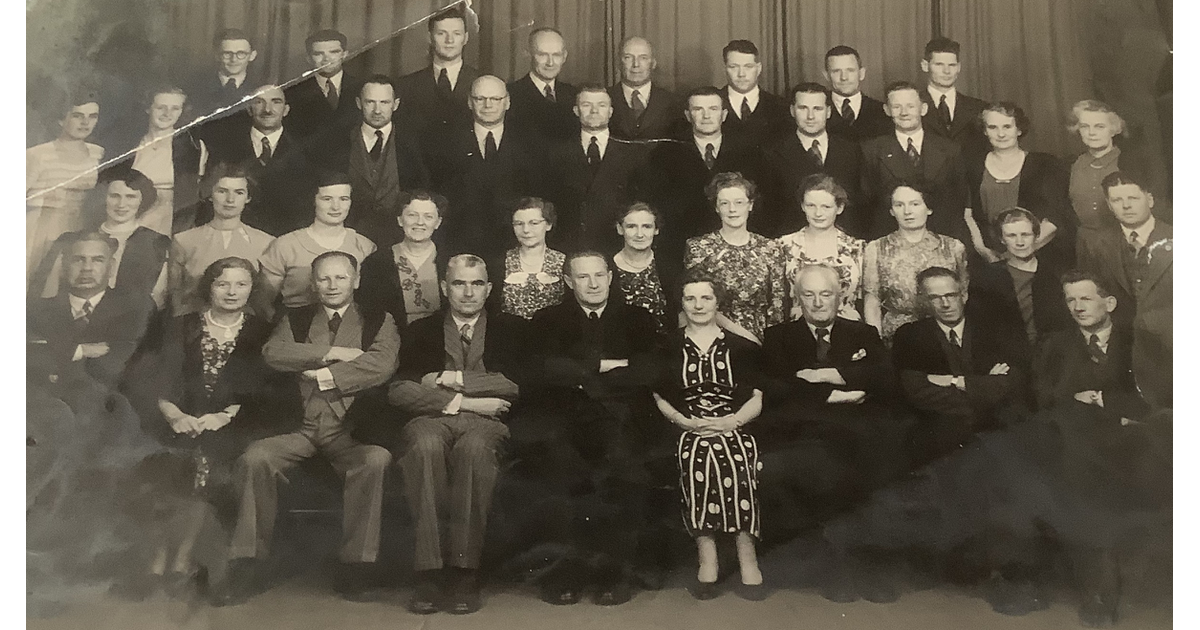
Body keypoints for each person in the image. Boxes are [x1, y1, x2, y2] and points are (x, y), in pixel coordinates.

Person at [220, 251, 399, 605]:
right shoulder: (296, 317)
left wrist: (324, 374)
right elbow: (274, 354)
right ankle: (247, 562)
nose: (332, 286)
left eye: (341, 278)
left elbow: (382, 364)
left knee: (375, 460)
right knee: (256, 458)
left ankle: (357, 565)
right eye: (324, 279)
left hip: (349, 429)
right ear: (314, 284)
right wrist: (335, 353)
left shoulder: (379, 319)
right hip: (299, 427)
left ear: (356, 281)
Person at [121, 257, 292, 600]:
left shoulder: (264, 333)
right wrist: (173, 414)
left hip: (236, 423)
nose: (231, 292)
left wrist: (225, 416)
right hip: (176, 418)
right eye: (222, 283)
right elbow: (150, 377)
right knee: (162, 466)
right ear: (208, 287)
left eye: (241, 284)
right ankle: (156, 559)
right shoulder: (180, 326)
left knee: (213, 463)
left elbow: (269, 391)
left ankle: (187, 560)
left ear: (252, 289)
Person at [518, 251, 664, 606]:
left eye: (600, 275)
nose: (594, 283)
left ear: (611, 277)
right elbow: (541, 370)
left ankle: (614, 571)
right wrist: (603, 368)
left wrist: (583, 376)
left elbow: (651, 370)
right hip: (567, 417)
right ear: (568, 281)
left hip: (624, 416)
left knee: (623, 467)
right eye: (583, 277)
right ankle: (568, 570)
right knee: (563, 469)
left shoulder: (637, 319)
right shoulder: (547, 320)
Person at [387, 254, 529, 615]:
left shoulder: (511, 329)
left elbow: (513, 384)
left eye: (477, 283)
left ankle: (465, 571)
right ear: (445, 288)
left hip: (486, 425)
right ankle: (429, 572)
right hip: (434, 418)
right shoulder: (419, 331)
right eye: (460, 284)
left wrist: (450, 379)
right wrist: (466, 402)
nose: (468, 292)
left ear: (489, 289)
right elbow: (400, 389)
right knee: (423, 447)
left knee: (474, 451)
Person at [755, 265, 904, 601]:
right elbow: (776, 387)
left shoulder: (863, 333)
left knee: (871, 465)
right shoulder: (778, 336)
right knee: (821, 468)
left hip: (855, 429)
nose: (818, 302)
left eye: (826, 294)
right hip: (805, 430)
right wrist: (840, 392)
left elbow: (883, 376)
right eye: (809, 294)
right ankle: (836, 569)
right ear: (798, 298)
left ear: (841, 296)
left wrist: (829, 374)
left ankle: (861, 565)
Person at [1033, 271, 1166, 628]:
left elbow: (1159, 397)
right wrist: (1090, 409)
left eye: (1086, 299)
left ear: (1109, 303)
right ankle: (1098, 593)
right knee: (1086, 500)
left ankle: (1135, 587)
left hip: (1134, 444)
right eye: (1071, 300)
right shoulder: (1054, 345)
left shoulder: (1141, 341)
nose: (1077, 307)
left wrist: (1103, 399)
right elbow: (1044, 397)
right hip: (1079, 444)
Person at [652, 273, 766, 600]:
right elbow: (659, 395)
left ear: (718, 303)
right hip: (687, 425)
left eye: (706, 298)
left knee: (740, 457)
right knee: (694, 456)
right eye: (691, 299)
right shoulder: (667, 344)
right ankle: (708, 558)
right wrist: (683, 421)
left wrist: (733, 420)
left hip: (735, 423)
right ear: (682, 304)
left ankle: (747, 558)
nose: (698, 305)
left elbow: (757, 395)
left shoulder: (740, 346)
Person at [892, 267, 1026, 463]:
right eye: (935, 298)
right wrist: (984, 385)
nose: (945, 304)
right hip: (941, 434)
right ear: (923, 301)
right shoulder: (910, 336)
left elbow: (1012, 380)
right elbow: (914, 390)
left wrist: (956, 381)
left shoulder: (994, 330)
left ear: (964, 295)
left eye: (951, 295)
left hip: (998, 429)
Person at [27, 232, 156, 415]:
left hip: (110, 416)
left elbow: (119, 363)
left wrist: (56, 353)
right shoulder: (36, 311)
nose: (87, 268)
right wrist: (81, 351)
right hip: (46, 415)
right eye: (78, 260)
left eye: (97, 260)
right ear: (64, 266)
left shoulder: (138, 309)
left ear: (111, 267)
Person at [639, 87, 763, 262]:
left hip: (738, 251)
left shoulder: (749, 154)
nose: (706, 116)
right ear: (688, 115)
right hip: (680, 250)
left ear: (724, 114)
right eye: (698, 109)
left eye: (713, 109)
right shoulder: (664, 155)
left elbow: (760, 206)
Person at [433, 75, 543, 265]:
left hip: (516, 247)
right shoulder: (444, 141)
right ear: (469, 102)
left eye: (495, 99)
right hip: (459, 245)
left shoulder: (531, 142)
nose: (488, 105)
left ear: (507, 102)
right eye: (480, 99)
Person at [30, 168, 171, 309]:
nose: (121, 204)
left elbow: (158, 299)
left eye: (130, 197)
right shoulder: (70, 240)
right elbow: (46, 295)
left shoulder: (157, 243)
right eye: (114, 196)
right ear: (103, 197)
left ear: (142, 200)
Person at [963, 102, 1074, 268]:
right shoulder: (972, 165)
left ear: (1019, 129)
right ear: (985, 131)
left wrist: (1022, 251)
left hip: (1040, 255)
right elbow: (968, 214)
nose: (1001, 134)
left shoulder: (1045, 164)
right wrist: (982, 250)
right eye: (993, 127)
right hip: (991, 258)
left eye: (1007, 126)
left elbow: (1056, 215)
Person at [256, 171, 376, 319]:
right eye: (327, 199)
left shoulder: (365, 246)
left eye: (344, 199)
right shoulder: (285, 245)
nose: (336, 207)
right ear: (314, 200)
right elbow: (264, 302)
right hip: (295, 329)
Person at [684, 172, 788, 343]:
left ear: (750, 205)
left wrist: (770, 346)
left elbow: (777, 305)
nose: (732, 210)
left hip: (762, 342)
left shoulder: (770, 248)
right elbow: (697, 301)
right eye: (725, 203)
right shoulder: (699, 247)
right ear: (717, 208)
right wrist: (744, 337)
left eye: (739, 203)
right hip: (714, 338)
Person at [860, 81, 969, 243]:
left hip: (943, 237)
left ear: (923, 109)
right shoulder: (872, 150)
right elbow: (868, 200)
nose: (904, 112)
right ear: (887, 110)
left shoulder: (950, 149)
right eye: (896, 107)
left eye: (910, 106)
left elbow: (958, 198)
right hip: (891, 238)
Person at [332, 74, 430, 247]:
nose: (377, 110)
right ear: (358, 103)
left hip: (400, 240)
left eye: (384, 102)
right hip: (348, 238)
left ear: (395, 104)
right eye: (370, 102)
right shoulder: (339, 141)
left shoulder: (416, 142)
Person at [863, 182, 968, 343]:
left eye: (915, 204)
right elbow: (872, 300)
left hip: (944, 336)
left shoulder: (953, 247)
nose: (907, 212)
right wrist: (874, 343)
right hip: (896, 337)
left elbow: (963, 296)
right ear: (891, 211)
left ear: (929, 208)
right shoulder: (876, 248)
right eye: (899, 205)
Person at [203, 83, 315, 236]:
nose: (267, 110)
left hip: (287, 239)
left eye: (275, 102)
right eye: (259, 102)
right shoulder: (224, 149)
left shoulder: (307, 151)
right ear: (249, 109)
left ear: (286, 110)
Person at [547, 84, 646, 252]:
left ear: (611, 111)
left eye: (601, 105)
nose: (594, 111)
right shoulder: (555, 153)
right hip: (569, 246)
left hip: (618, 248)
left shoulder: (634, 153)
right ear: (576, 111)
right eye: (586, 105)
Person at [170, 163, 275, 316]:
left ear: (248, 197)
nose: (230, 199)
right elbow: (175, 297)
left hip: (248, 330)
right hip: (194, 327)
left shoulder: (266, 243)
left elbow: (265, 302)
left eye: (239, 192)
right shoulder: (184, 241)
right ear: (209, 195)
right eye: (222, 191)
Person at [1066, 100, 1171, 252]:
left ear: (1113, 129)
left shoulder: (1132, 162)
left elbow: (1156, 206)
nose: (1091, 133)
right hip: (1085, 245)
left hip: (1125, 244)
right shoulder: (1072, 165)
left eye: (1099, 126)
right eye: (1085, 127)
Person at [765, 83, 864, 237]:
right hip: (794, 245)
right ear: (792, 111)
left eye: (817, 109)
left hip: (844, 242)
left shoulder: (851, 150)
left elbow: (860, 204)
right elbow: (770, 209)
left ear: (829, 112)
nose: (810, 116)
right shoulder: (772, 153)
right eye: (803, 108)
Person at [967, 208, 1072, 349]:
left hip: (1053, 353)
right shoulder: (987, 278)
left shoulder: (1056, 275)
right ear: (1002, 239)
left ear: (1036, 236)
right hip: (1009, 355)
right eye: (1011, 236)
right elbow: (979, 327)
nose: (1020, 242)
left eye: (1025, 235)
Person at [1076, 171, 1171, 327]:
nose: (1126, 206)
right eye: (1117, 200)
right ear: (1109, 206)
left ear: (1150, 200)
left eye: (1133, 198)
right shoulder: (1094, 244)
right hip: (1121, 336)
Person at [111, 85, 205, 236]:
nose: (167, 114)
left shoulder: (193, 148)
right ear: (148, 108)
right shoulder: (129, 145)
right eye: (161, 107)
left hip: (172, 221)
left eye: (175, 108)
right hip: (129, 217)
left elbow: (193, 195)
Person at [27, 94, 104, 279]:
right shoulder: (38, 155)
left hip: (80, 227)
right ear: (61, 119)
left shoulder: (97, 153)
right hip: (40, 230)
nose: (85, 123)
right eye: (77, 115)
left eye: (92, 116)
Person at [777, 174, 865, 322]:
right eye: (811, 206)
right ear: (803, 206)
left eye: (826, 206)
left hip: (848, 329)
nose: (818, 213)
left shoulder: (856, 248)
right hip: (799, 329)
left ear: (839, 208)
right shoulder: (783, 246)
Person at [357, 189, 448, 326]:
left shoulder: (451, 261)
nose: (420, 222)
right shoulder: (376, 263)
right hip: (391, 340)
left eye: (428, 217)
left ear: (438, 223)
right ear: (400, 220)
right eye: (412, 215)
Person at [397, 5, 480, 154]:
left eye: (457, 34)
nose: (449, 40)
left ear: (466, 38)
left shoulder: (483, 82)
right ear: (429, 37)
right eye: (441, 33)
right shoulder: (406, 86)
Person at [610, 202, 680, 335]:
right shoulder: (605, 266)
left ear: (656, 230)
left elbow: (681, 312)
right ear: (620, 229)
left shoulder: (670, 268)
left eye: (646, 227)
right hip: (619, 349)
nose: (639, 234)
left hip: (665, 348)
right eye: (631, 226)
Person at [284, 30, 362, 142]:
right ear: (309, 58)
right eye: (318, 54)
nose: (326, 59)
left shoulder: (361, 87)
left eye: (334, 52)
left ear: (345, 54)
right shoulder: (293, 92)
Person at [919, 37, 988, 160]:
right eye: (939, 64)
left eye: (952, 65)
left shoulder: (979, 108)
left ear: (959, 67)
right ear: (925, 66)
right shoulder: (911, 107)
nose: (947, 71)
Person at [507, 27, 580, 144]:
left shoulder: (575, 95)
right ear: (528, 54)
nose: (550, 63)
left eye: (556, 55)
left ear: (564, 56)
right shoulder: (510, 95)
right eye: (542, 55)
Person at [501, 197, 566, 319]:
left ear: (548, 224)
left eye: (534, 223)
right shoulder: (502, 262)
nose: (526, 230)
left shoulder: (562, 262)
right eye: (519, 224)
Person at [719, 39, 790, 151]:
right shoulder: (710, 104)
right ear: (725, 69)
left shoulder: (780, 106)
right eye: (733, 67)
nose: (741, 74)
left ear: (759, 68)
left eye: (748, 66)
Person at [607, 36, 680, 141]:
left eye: (643, 58)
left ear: (653, 63)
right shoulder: (604, 98)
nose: (636, 64)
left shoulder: (673, 102)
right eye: (628, 57)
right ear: (619, 63)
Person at [822, 45, 892, 142]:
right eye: (836, 71)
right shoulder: (815, 111)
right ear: (826, 76)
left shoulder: (881, 111)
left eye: (850, 70)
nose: (844, 77)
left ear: (861, 73)